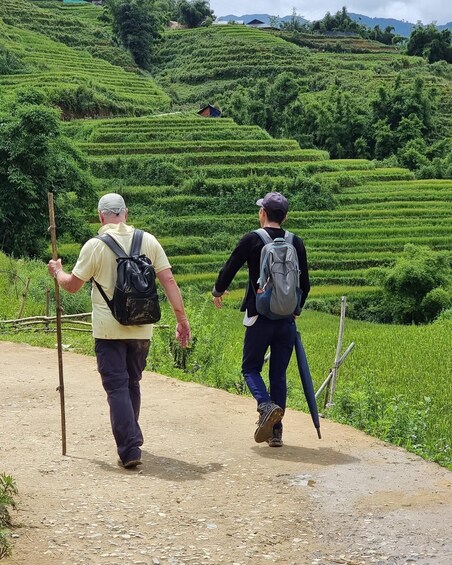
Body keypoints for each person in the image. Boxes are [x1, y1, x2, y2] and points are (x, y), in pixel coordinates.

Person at [48, 193, 191, 468]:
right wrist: (181, 319)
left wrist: (57, 271)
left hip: (108, 330)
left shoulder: (95, 246)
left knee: (116, 387)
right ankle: (131, 437)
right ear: (126, 212)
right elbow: (169, 280)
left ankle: (129, 449)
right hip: (142, 328)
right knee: (131, 383)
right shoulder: (148, 241)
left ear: (101, 216)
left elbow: (72, 285)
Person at [212, 192, 310, 447]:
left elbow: (230, 267)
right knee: (278, 374)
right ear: (285, 217)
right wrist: (295, 310)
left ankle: (265, 406)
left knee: (250, 368)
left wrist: (218, 291)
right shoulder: (296, 242)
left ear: (262, 213)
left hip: (259, 317)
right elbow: (305, 284)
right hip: (286, 320)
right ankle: (276, 433)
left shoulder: (252, 239)